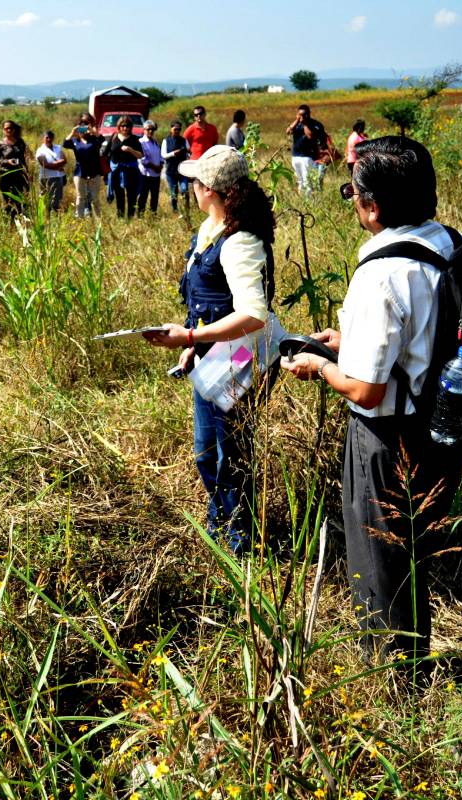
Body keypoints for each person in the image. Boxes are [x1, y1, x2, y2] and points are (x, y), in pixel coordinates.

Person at [280, 136, 462, 664]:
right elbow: (426, 330)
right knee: (416, 553)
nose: (353, 204)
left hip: (389, 439)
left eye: (353, 193)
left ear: (373, 205)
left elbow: (366, 388)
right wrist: (350, 341)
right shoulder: (450, 244)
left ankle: (390, 675)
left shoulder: (380, 272)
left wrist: (319, 363)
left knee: (381, 556)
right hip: (444, 425)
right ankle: (411, 660)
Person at [142, 145, 278, 555]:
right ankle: (220, 526)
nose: (191, 188)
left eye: (195, 182)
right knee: (208, 451)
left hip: (239, 357)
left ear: (210, 190)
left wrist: (189, 339)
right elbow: (204, 303)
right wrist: (192, 340)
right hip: (212, 354)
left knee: (229, 452)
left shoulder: (240, 242)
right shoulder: (209, 231)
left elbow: (253, 314)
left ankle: (241, 542)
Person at [63, 113, 104, 218]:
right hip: (80, 172)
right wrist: (73, 132)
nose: (83, 129)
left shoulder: (94, 140)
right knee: (81, 197)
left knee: (95, 198)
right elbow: (65, 143)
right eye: (81, 127)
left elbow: (102, 139)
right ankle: (79, 219)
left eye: (85, 126)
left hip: (94, 172)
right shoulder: (74, 141)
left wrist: (92, 131)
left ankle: (98, 220)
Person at [0, 120, 29, 220]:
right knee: (8, 202)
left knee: (19, 201)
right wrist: (7, 161)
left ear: (14, 130)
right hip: (5, 177)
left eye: (11, 128)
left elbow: (24, 159)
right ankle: (9, 224)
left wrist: (27, 174)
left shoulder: (20, 142)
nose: (9, 130)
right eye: (6, 128)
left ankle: (20, 223)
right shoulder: (0, 144)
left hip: (19, 176)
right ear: (3, 130)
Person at [107, 118, 143, 218]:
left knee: (131, 196)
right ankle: (120, 218)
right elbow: (106, 153)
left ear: (130, 127)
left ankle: (130, 218)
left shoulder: (134, 139)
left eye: (127, 126)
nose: (125, 128)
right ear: (119, 127)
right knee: (119, 196)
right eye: (122, 126)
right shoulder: (114, 137)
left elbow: (140, 155)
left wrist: (130, 150)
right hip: (116, 171)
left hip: (130, 170)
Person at [287, 105, 326, 194]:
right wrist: (297, 121)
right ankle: (301, 197)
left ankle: (309, 199)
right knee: (300, 180)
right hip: (295, 156)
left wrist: (305, 124)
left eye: (304, 115)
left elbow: (310, 136)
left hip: (307, 157)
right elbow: (288, 131)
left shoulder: (314, 124)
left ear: (308, 114)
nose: (302, 117)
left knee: (307, 180)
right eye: (300, 114)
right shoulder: (296, 124)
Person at [162, 120, 191, 213]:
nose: (177, 131)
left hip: (182, 170)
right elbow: (163, 155)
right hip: (171, 170)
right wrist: (174, 153)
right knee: (173, 191)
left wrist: (188, 154)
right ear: (171, 129)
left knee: (184, 190)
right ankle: (175, 210)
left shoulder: (184, 140)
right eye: (175, 129)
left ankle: (187, 209)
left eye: (179, 129)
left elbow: (189, 153)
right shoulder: (166, 140)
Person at [35, 130, 67, 213]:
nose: (49, 139)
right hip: (46, 178)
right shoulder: (40, 150)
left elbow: (64, 160)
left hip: (58, 177)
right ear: (43, 138)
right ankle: (46, 218)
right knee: (46, 200)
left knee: (57, 200)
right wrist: (58, 165)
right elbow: (45, 164)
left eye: (51, 137)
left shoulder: (58, 147)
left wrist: (53, 164)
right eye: (47, 137)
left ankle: (56, 218)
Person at [136, 120, 164, 215]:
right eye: (148, 129)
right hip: (145, 174)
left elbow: (160, 155)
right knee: (143, 196)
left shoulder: (155, 142)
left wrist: (160, 165)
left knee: (154, 196)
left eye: (152, 129)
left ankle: (153, 215)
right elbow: (142, 159)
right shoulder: (141, 142)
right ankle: (140, 215)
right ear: (144, 130)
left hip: (156, 174)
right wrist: (154, 167)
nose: (150, 131)